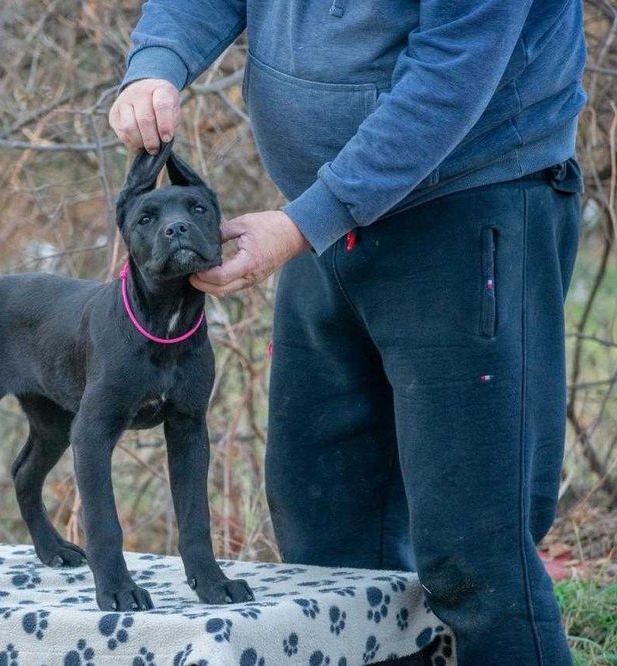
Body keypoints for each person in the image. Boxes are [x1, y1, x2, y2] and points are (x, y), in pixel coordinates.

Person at [109, 2, 586, 664]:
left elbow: (453, 72)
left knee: (477, 555)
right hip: (324, 220)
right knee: (325, 538)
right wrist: (157, 62)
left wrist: (306, 221)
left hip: (469, 208)